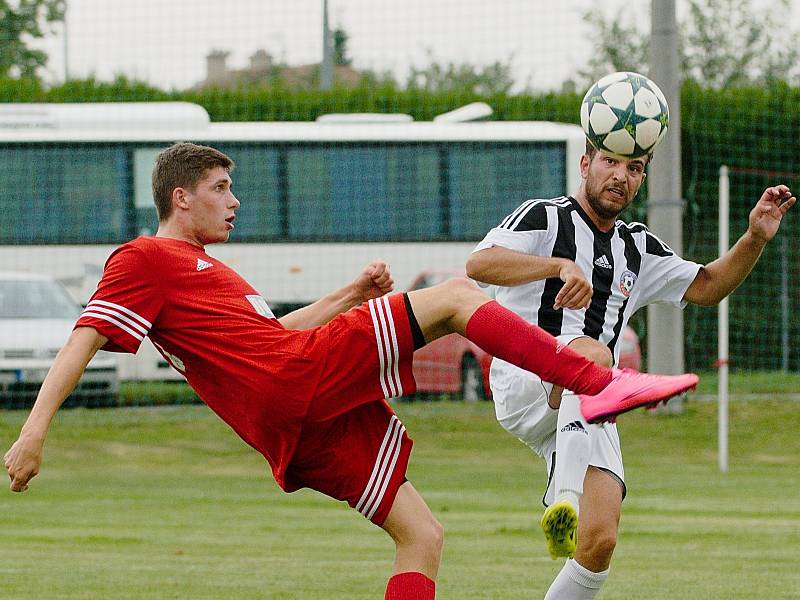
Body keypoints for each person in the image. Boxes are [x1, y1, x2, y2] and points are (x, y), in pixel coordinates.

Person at [4, 142, 699, 600]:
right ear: (180, 198)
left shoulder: (209, 272)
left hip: (287, 420)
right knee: (457, 296)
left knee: (422, 535)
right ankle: (595, 381)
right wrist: (35, 430)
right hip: (291, 381)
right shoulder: (144, 257)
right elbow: (85, 336)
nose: (234, 200)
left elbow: (270, 335)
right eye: (220, 188)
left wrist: (347, 298)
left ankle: (589, 383)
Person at [466, 140, 795, 600]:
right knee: (596, 358)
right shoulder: (544, 216)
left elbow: (708, 285)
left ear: (642, 179)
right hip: (524, 378)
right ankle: (563, 499)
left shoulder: (637, 248)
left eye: (635, 168)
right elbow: (480, 264)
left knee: (599, 541)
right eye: (611, 162)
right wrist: (559, 266)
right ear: (586, 164)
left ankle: (570, 512)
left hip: (586, 401)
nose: (621, 175)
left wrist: (755, 237)